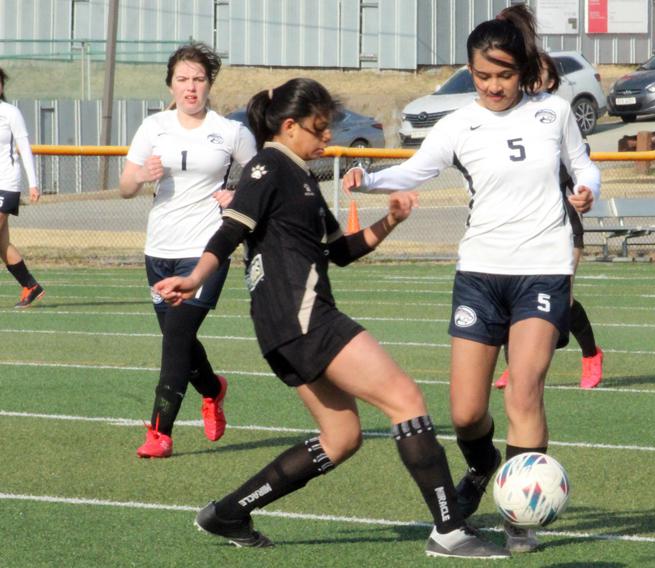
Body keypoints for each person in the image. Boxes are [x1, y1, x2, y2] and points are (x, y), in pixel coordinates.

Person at [153, 77, 509, 559]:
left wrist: (391, 220)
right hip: (303, 320)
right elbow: (231, 229)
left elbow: (339, 251)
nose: (327, 139)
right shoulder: (269, 165)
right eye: (319, 130)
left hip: (286, 329)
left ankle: (228, 512)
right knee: (406, 399)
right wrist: (195, 277)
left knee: (341, 438)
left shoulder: (300, 175)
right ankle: (448, 530)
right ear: (290, 125)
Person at [343, 5, 600, 553]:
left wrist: (587, 188)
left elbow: (585, 164)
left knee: (525, 392)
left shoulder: (553, 112)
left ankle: (518, 518)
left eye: (503, 75)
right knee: (465, 411)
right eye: (482, 76)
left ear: (522, 68)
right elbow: (417, 168)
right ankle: (484, 466)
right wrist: (369, 179)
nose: (493, 86)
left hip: (543, 268)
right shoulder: (459, 123)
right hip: (480, 272)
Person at [119, 42, 257, 458]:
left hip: (206, 250)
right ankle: (213, 389)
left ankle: (160, 433)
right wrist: (142, 174)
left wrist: (237, 194)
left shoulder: (231, 131)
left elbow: (259, 179)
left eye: (198, 79)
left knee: (176, 338)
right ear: (171, 84)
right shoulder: (153, 126)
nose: (191, 87)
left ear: (209, 84)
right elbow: (126, 187)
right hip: (159, 249)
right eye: (183, 79)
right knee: (178, 338)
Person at [495, 52, 603, 391]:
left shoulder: (559, 119)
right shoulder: (506, 119)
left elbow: (581, 170)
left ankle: (591, 355)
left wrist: (585, 190)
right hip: (520, 226)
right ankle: (516, 366)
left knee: (562, 300)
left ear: (550, 82)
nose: (528, 80)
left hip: (562, 226)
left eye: (535, 75)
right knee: (510, 295)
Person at [0, 67, 44, 308]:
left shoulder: (10, 112)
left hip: (6, 184)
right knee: (2, 244)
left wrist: (33, 183)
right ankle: (31, 286)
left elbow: (24, 148)